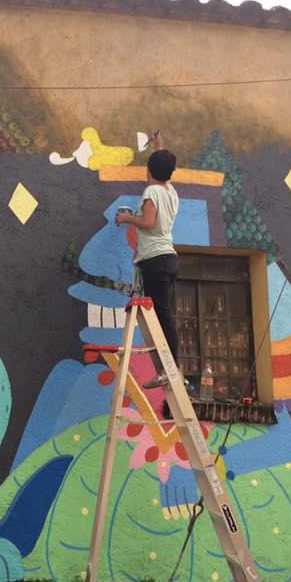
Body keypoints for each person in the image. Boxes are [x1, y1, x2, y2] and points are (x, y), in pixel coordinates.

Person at [114, 131, 180, 389]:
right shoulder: (170, 191)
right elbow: (162, 163)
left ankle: (169, 369)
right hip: (167, 258)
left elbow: (148, 223)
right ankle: (169, 368)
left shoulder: (151, 190)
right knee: (163, 314)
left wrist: (126, 219)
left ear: (148, 170)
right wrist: (159, 144)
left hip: (156, 260)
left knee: (163, 316)